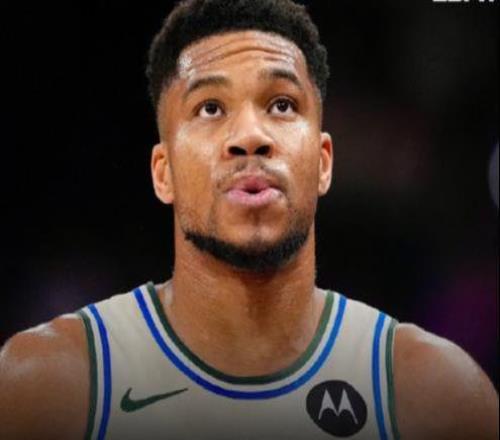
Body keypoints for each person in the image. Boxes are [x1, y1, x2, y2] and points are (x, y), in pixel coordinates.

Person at [0, 0, 497, 439]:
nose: (250, 137)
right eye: (210, 108)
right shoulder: (49, 387)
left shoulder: (435, 396)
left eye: (281, 104)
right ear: (163, 172)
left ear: (324, 162)